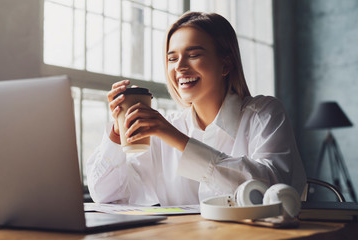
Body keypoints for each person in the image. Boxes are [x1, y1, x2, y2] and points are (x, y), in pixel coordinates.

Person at [86, 11, 306, 205]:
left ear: (226, 64)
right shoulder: (165, 127)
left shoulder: (264, 113)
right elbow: (106, 195)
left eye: (193, 55)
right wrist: (117, 132)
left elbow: (269, 190)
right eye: (172, 58)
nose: (180, 67)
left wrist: (176, 138)